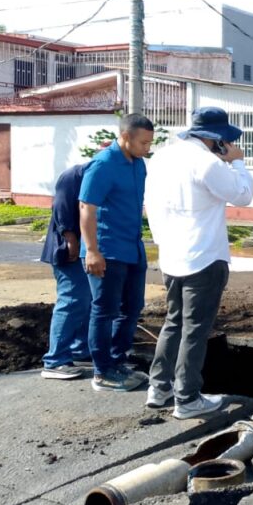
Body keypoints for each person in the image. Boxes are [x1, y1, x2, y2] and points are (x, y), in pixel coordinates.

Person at [144, 106, 253, 420]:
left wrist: (163, 243)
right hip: (204, 257)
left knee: (174, 322)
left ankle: (159, 387)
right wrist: (238, 162)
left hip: (171, 255)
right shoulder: (207, 163)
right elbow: (243, 195)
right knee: (195, 330)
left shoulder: (163, 157)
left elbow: (151, 204)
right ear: (217, 139)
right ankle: (188, 398)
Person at [80, 113, 154, 392]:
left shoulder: (138, 165)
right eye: (144, 143)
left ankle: (117, 361)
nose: (147, 148)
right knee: (104, 310)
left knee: (132, 308)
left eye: (150, 143)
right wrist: (92, 251)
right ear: (125, 137)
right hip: (107, 249)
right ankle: (102, 372)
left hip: (133, 247)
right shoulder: (102, 165)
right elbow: (86, 208)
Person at [40, 162, 91, 380]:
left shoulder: (99, 176)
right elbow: (61, 206)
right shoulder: (73, 176)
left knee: (85, 300)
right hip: (67, 250)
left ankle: (80, 350)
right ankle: (55, 360)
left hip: (85, 249)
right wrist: (70, 239)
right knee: (71, 300)